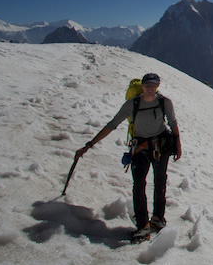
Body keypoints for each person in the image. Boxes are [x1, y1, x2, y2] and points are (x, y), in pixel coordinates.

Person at [76, 72, 182, 238]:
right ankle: (143, 225)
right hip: (143, 147)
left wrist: (178, 146)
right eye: (148, 85)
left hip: (161, 146)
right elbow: (112, 125)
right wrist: (89, 145)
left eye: (153, 85)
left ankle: (157, 219)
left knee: (159, 182)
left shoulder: (165, 103)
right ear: (142, 86)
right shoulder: (132, 104)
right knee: (139, 184)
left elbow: (173, 123)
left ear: (157, 86)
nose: (150, 88)